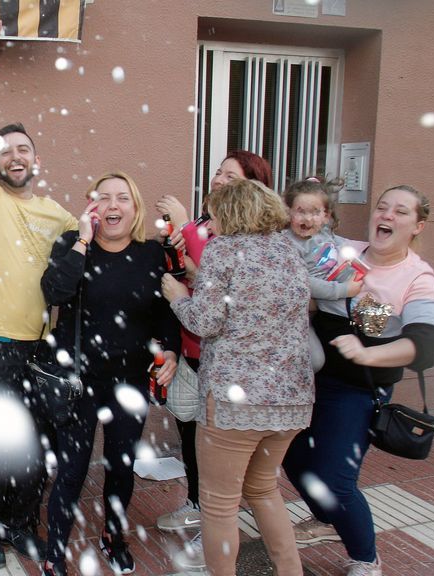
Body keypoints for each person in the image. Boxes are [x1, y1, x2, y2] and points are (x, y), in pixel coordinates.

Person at [0, 19, 79, 569]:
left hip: (42, 347)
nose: (14, 156)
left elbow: (100, 246)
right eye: (5, 150)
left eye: (23, 149)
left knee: (36, 448)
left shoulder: (59, 215)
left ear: (35, 158)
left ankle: (17, 521)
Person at [283, 185, 434, 576]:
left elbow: (426, 343)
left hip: (357, 391)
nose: (386, 215)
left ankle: (365, 558)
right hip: (309, 381)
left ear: (417, 225)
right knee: (293, 459)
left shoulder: (417, 277)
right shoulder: (340, 250)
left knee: (336, 477)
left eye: (400, 212)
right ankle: (326, 520)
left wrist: (369, 352)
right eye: (382, 207)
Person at [161, 179, 313, 576]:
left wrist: (176, 295)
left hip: (235, 401)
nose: (208, 225)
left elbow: (205, 321)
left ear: (231, 212)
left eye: (211, 216)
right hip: (290, 400)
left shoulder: (224, 250)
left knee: (219, 504)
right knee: (264, 490)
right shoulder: (288, 249)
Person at [40, 172, 180, 575]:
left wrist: (169, 348)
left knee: (121, 466)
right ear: (92, 206)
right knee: (72, 469)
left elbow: (165, 312)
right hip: (77, 381)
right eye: (105, 199)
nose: (114, 206)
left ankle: (113, 537)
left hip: (129, 380)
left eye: (123, 198)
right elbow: (54, 293)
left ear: (135, 209)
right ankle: (56, 553)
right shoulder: (72, 244)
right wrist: (83, 240)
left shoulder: (151, 255)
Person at [153, 150, 274, 541]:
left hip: (227, 361)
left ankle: (219, 522)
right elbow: (188, 273)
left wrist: (186, 227)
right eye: (218, 172)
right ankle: (198, 504)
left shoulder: (249, 236)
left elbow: (223, 289)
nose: (219, 180)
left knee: (220, 448)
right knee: (189, 433)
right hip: (191, 348)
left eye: (230, 176)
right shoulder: (207, 225)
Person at [281, 177, 363, 372]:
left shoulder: (325, 235)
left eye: (315, 212)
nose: (307, 219)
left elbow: (341, 247)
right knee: (315, 361)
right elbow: (304, 282)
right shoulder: (288, 243)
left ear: (326, 216)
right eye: (300, 211)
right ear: (288, 212)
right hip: (298, 316)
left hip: (331, 309)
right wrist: (343, 289)